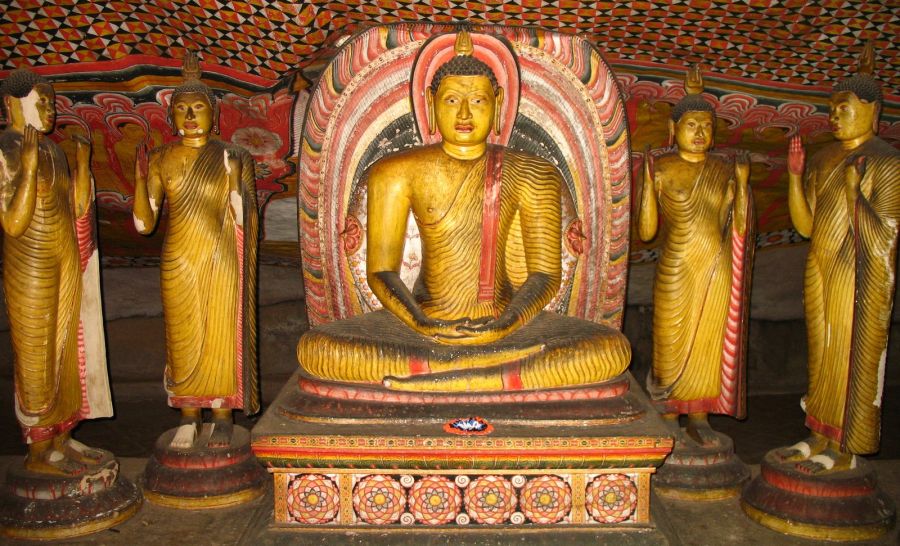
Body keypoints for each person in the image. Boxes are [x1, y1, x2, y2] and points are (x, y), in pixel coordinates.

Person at [296, 31, 630, 392]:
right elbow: (380, 270)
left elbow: (545, 276)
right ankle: (489, 380)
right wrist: (421, 323)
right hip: (419, 328)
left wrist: (507, 323)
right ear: (430, 102)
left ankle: (434, 381)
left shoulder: (534, 172)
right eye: (452, 99)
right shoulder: (394, 172)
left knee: (608, 350)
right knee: (320, 349)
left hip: (510, 330)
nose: (465, 114)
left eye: (478, 101)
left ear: (499, 102)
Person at [779, 43, 899, 474]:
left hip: (856, 275)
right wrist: (794, 178)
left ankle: (846, 445)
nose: (835, 117)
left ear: (873, 110)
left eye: (844, 107)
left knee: (850, 356)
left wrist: (854, 194)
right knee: (822, 353)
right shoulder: (825, 157)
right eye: (831, 109)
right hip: (821, 268)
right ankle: (818, 434)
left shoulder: (886, 163)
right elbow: (806, 225)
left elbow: (885, 236)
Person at [133, 54, 259, 449]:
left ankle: (222, 414)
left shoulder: (234, 156)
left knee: (223, 334)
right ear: (171, 119)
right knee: (183, 337)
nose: (190, 116)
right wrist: (140, 177)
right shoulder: (161, 158)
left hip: (222, 258)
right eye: (182, 110)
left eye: (199, 107)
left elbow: (247, 218)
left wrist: (235, 180)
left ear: (214, 115)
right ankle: (188, 415)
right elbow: (143, 223)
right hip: (179, 259)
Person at [0, 68, 112, 474]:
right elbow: (13, 223)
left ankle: (62, 437)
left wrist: (82, 164)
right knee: (36, 353)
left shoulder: (55, 151)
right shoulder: (7, 149)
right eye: (40, 101)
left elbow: (78, 210)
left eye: (50, 102)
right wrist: (27, 168)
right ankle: (38, 451)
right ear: (12, 104)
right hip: (30, 265)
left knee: (68, 346)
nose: (50, 110)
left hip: (64, 256)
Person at [639, 65, 754, 444]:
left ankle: (700, 416)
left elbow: (737, 227)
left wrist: (741, 185)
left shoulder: (723, 169)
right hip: (676, 264)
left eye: (707, 125)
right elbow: (647, 232)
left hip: (715, 267)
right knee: (670, 339)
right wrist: (646, 179)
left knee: (709, 340)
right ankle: (670, 408)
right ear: (674, 130)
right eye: (692, 124)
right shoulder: (664, 167)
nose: (700, 132)